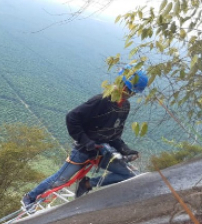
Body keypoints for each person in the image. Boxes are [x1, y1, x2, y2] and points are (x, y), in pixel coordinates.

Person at [22, 65, 149, 208]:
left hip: (102, 151)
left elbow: (114, 134)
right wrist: (86, 141)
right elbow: (72, 118)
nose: (129, 94)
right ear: (124, 86)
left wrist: (124, 149)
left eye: (132, 92)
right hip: (84, 150)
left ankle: (88, 183)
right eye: (130, 90)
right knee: (60, 180)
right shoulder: (102, 100)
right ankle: (30, 197)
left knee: (129, 175)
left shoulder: (124, 107)